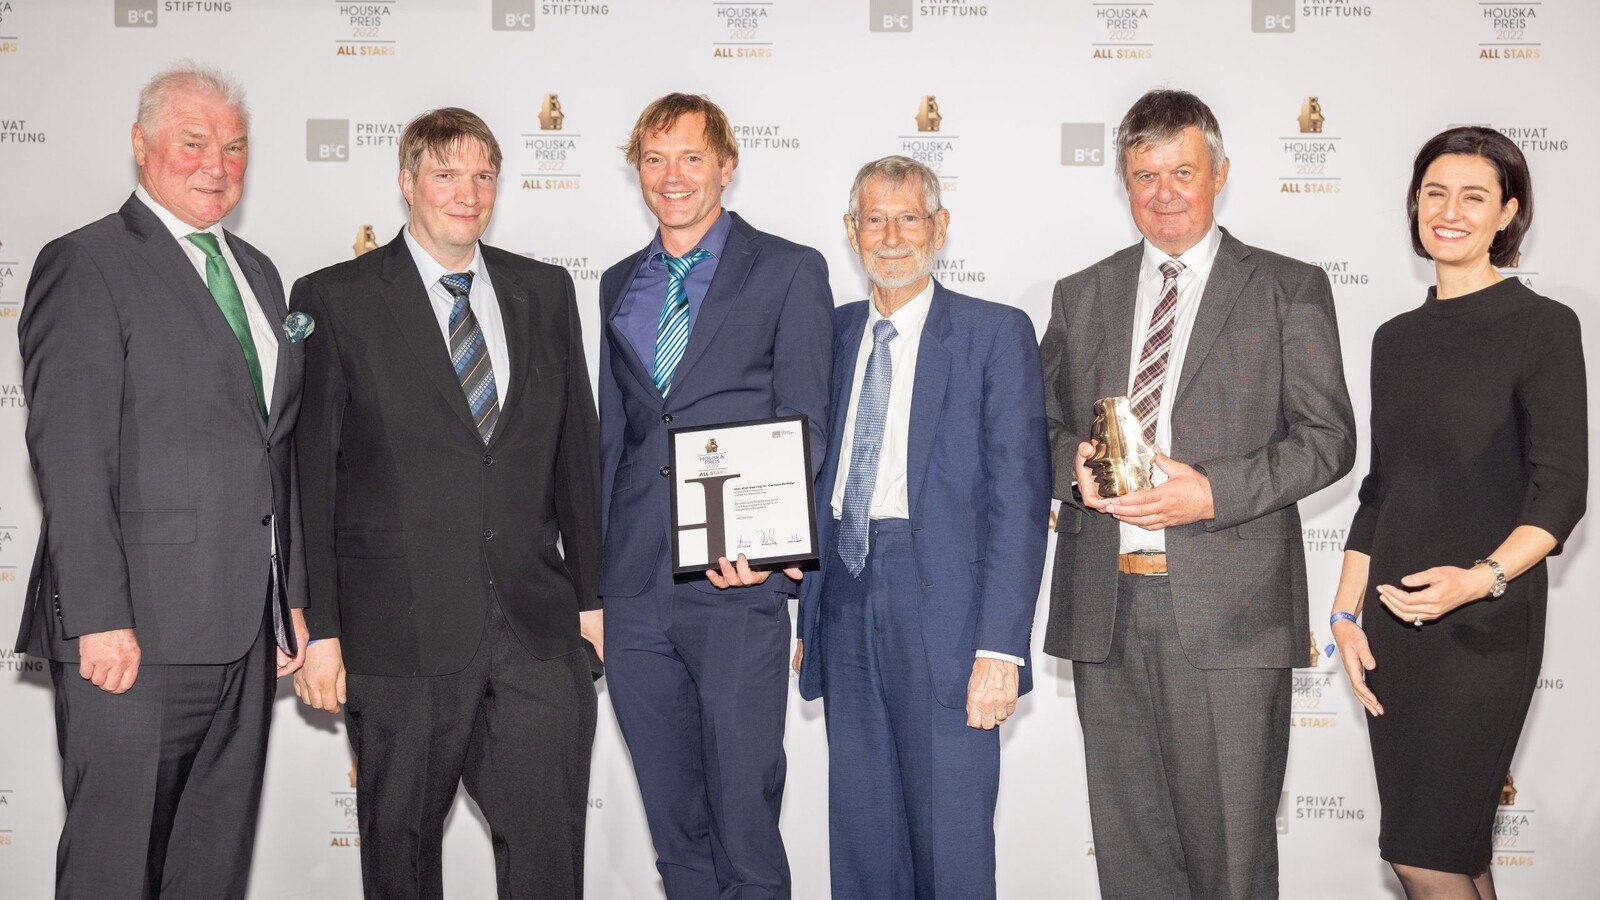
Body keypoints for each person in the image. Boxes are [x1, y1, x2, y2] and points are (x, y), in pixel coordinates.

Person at [1039, 88, 1356, 899]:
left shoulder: (1288, 287)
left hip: (1232, 615)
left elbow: (1329, 441)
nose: (1165, 192)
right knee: (1131, 859)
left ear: (1220, 173)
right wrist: (1067, 467)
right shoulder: (1083, 293)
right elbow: (1036, 426)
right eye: (1145, 175)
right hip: (1105, 614)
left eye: (1183, 171)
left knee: (1231, 863)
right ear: (1124, 182)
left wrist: (1210, 494)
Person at [291, 107, 603, 899]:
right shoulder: (335, 298)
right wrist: (320, 630)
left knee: (549, 862)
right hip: (399, 638)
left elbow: (576, 456)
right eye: (446, 174)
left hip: (537, 632)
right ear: (406, 183)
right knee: (400, 864)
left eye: (483, 176)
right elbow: (311, 480)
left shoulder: (544, 289)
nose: (467, 194)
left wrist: (593, 603)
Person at [15, 62, 308, 898]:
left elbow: (267, 451)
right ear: (141, 147)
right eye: (193, 142)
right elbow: (70, 455)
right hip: (133, 639)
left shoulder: (257, 273)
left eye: (234, 145)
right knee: (116, 871)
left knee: (206, 873)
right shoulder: (86, 262)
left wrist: (288, 596)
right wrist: (101, 617)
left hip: (244, 633)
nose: (216, 162)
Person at [1328, 127, 1586, 900]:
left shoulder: (1543, 327)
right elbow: (1383, 489)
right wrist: (1345, 615)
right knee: (1459, 855)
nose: (1450, 211)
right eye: (1435, 192)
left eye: (1474, 196)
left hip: (1483, 630)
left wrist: (1476, 582)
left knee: (1424, 857)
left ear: (1507, 213)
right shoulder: (1394, 339)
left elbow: (1562, 493)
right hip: (1394, 630)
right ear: (1414, 204)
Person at [793, 156, 1049, 899]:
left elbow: (1019, 501)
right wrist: (810, 607)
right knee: (863, 841)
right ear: (851, 231)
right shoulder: (830, 334)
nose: (893, 236)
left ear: (940, 227)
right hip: (844, 594)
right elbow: (809, 477)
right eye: (875, 219)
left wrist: (1000, 647)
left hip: (946, 614)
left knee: (952, 847)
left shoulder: (994, 334)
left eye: (911, 218)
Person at [598, 92, 832, 899]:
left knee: (743, 819)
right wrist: (596, 586)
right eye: (656, 158)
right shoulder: (618, 283)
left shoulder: (790, 269)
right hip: (633, 590)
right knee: (675, 827)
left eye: (692, 157)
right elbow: (615, 440)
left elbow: (808, 425)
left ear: (726, 166)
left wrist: (768, 552)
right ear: (638, 170)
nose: (673, 176)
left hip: (734, 585)